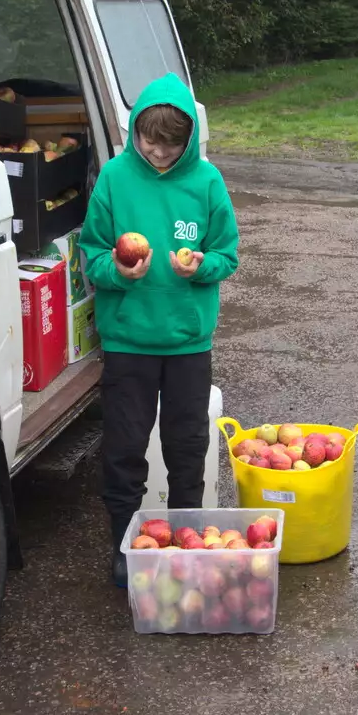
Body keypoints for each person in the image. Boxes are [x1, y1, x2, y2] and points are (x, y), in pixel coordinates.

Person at [78, 73, 239, 586]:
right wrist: (117, 273)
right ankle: (124, 546)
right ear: (135, 131)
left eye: (171, 144)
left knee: (187, 445)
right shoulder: (114, 178)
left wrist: (202, 268)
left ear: (188, 140)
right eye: (150, 141)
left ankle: (185, 537)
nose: (159, 153)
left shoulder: (207, 182)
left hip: (189, 341)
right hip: (129, 340)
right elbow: (92, 254)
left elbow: (227, 254)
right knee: (124, 445)